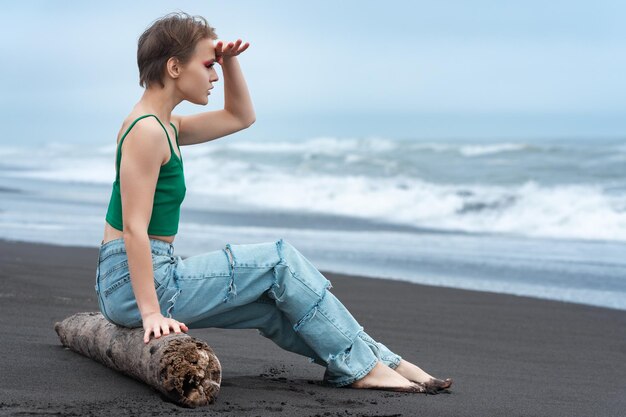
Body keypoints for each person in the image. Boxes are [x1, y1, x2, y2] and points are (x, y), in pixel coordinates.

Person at [94, 11, 453, 393]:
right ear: (174, 67)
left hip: (147, 275)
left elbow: (240, 116)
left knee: (270, 308)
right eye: (209, 65)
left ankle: (379, 361)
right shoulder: (146, 130)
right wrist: (150, 312)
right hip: (136, 285)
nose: (215, 76)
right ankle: (366, 367)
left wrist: (231, 61)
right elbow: (134, 227)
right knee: (280, 260)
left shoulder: (167, 125)